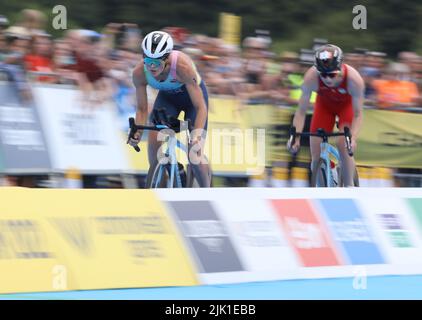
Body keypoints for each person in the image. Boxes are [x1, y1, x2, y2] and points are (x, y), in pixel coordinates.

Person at [128, 31, 211, 187]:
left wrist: (197, 137)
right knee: (153, 143)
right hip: (168, 99)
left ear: (166, 59)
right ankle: (160, 185)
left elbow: (201, 108)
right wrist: (137, 132)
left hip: (192, 101)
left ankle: (207, 191)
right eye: (148, 61)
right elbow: (141, 109)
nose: (151, 67)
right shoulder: (139, 73)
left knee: (194, 154)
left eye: (157, 63)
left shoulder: (182, 67)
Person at [287, 44, 365, 187]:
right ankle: (322, 190)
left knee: (343, 143)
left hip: (346, 107)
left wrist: (352, 138)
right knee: (315, 154)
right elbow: (301, 112)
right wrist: (295, 137)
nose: (327, 79)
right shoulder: (311, 77)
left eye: (332, 74)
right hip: (324, 106)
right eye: (323, 74)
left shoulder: (354, 80)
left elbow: (359, 114)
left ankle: (348, 186)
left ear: (341, 68)